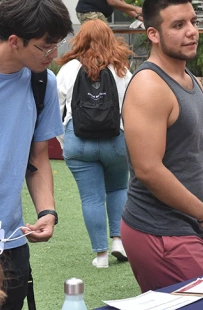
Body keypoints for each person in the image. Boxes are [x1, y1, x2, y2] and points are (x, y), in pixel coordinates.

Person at [120, 0, 203, 293]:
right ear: (153, 34)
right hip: (160, 231)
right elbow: (148, 169)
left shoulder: (186, 78)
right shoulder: (149, 86)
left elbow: (198, 147)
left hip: (184, 226)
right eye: (178, 25)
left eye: (193, 21)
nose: (192, 32)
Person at [0, 0, 73, 309]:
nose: (53, 56)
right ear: (14, 40)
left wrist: (47, 210)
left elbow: (37, 156)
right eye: (45, 48)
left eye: (57, 45)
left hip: (11, 240)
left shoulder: (43, 81)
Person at [56, 20, 133, 268]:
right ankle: (118, 241)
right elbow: (132, 108)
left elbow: (57, 111)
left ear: (80, 39)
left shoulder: (68, 69)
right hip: (116, 140)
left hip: (79, 141)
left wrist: (64, 141)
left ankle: (100, 256)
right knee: (118, 189)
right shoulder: (122, 69)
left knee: (91, 198)